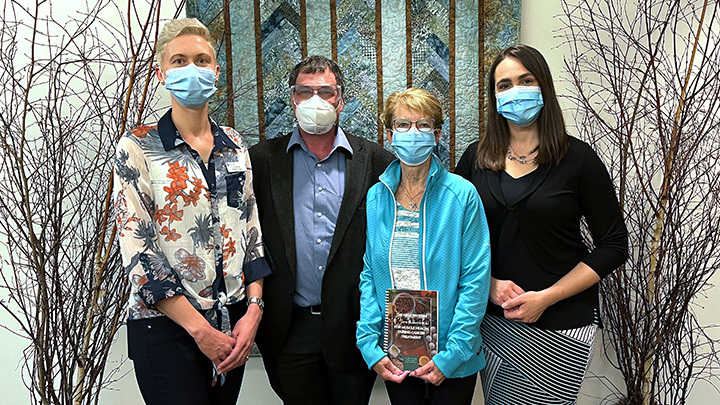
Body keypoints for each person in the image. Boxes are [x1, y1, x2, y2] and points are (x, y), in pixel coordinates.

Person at [455, 44, 629, 404]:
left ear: (543, 86)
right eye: (504, 85)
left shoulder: (577, 158)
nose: (515, 91)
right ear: (494, 96)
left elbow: (614, 245)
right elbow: (452, 238)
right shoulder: (476, 158)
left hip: (562, 322)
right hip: (492, 321)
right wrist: (486, 284)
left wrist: (546, 298)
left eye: (525, 80)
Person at [114, 18, 271, 405]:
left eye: (201, 60)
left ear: (216, 71)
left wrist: (254, 309)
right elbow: (138, 250)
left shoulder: (234, 143)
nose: (192, 69)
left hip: (234, 321)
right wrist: (201, 331)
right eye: (179, 60)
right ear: (161, 73)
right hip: (168, 328)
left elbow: (251, 231)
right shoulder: (138, 146)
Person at [250, 55, 395, 405]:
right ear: (293, 99)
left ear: (340, 100)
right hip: (288, 329)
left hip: (353, 327)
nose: (315, 100)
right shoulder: (261, 161)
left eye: (325, 91)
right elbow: (248, 240)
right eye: (305, 91)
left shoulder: (377, 161)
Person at [356, 87, 492, 405]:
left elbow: (475, 280)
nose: (412, 133)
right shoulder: (377, 197)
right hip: (396, 352)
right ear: (389, 134)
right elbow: (369, 275)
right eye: (402, 125)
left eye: (423, 125)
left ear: (437, 133)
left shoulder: (462, 195)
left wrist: (452, 354)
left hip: (451, 354)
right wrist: (369, 345)